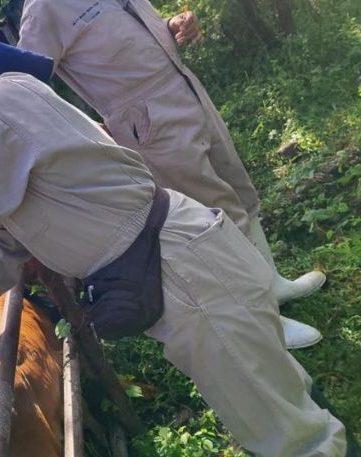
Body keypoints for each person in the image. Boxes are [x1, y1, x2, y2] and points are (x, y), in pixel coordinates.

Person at [0, 24, 347, 456]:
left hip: (178, 270)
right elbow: (10, 243)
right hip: (174, 256)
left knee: (277, 423)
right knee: (270, 384)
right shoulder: (7, 97)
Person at [16, 0, 325, 349]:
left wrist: (175, 25)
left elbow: (126, 38)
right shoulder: (43, 9)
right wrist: (89, 128)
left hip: (182, 86)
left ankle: (273, 284)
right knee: (215, 215)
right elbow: (27, 87)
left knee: (236, 187)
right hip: (145, 117)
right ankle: (264, 322)